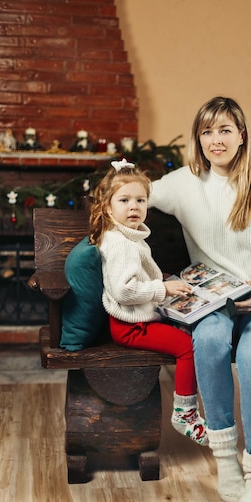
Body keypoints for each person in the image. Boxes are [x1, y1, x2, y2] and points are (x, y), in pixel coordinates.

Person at [149, 96, 251, 502]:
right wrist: (119, 182)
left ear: (241, 135)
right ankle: (225, 460)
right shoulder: (183, 182)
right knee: (210, 341)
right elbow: (135, 194)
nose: (215, 139)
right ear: (197, 140)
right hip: (212, 300)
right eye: (206, 131)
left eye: (224, 130)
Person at [89, 158, 208, 446]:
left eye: (140, 200)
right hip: (132, 326)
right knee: (188, 347)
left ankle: (203, 403)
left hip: (139, 317)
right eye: (125, 200)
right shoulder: (121, 244)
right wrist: (162, 288)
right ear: (108, 206)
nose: (134, 206)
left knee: (192, 326)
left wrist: (165, 280)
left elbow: (137, 277)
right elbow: (123, 291)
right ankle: (185, 412)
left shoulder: (129, 236)